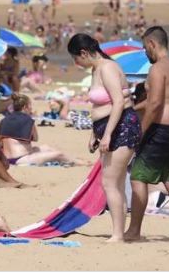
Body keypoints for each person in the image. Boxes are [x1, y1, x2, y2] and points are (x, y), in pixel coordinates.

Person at [67, 33, 140, 243]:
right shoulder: (97, 69)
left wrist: (107, 134)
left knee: (110, 182)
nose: (75, 63)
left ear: (83, 52)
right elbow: (100, 106)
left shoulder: (107, 68)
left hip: (122, 127)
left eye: (76, 58)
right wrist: (94, 133)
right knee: (113, 181)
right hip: (111, 127)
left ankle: (118, 234)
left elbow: (118, 102)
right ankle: (119, 231)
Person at [125, 26, 169, 242]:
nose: (145, 52)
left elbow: (155, 105)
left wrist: (141, 132)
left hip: (162, 132)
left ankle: (134, 231)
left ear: (152, 44)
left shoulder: (158, 69)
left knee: (137, 177)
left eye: (145, 48)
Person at [0, 95, 86, 166]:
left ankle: (73, 159)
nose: (31, 109)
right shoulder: (28, 120)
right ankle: (82, 163)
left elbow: (1, 141)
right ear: (25, 107)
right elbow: (35, 138)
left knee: (46, 147)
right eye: (30, 106)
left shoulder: (3, 120)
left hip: (7, 158)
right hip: (21, 159)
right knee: (58, 154)